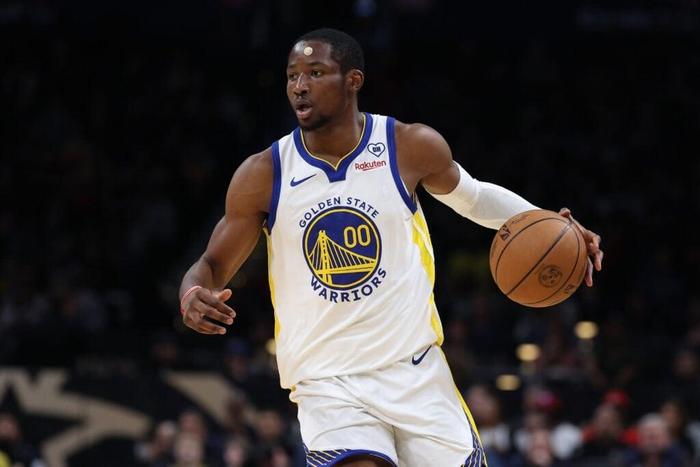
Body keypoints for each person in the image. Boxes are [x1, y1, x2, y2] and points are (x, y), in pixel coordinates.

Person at [179, 28, 604, 467]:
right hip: (328, 383)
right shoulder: (264, 173)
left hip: (415, 372)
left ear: (353, 80)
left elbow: (475, 198)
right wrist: (192, 292)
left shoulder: (407, 145)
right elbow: (211, 264)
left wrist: (554, 224)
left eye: (315, 73)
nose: (299, 86)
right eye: (292, 76)